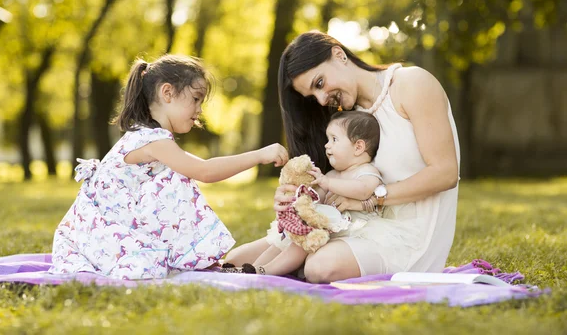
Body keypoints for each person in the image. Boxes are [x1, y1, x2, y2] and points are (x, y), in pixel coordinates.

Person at [225, 30, 460, 283]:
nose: (322, 98)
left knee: (321, 267)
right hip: (355, 223)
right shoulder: (347, 118)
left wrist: (369, 201)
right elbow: (333, 182)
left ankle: (295, 267)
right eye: (313, 96)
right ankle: (290, 264)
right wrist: (294, 200)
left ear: (339, 55)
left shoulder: (411, 84)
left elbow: (445, 173)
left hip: (409, 235)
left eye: (319, 83)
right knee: (233, 261)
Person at [49, 55, 288, 280]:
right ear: (167, 93)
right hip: (98, 240)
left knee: (174, 177)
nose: (200, 109)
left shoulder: (150, 137)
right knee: (177, 180)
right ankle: (192, 259)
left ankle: (190, 258)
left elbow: (202, 166)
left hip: (102, 235)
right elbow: (205, 171)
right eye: (196, 99)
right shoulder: (153, 141)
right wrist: (260, 155)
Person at [222, 111, 383, 275]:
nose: (327, 145)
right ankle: (251, 268)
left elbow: (363, 190)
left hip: (350, 233)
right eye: (328, 140)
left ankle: (265, 271)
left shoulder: (367, 171)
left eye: (334, 139)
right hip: (320, 229)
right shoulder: (332, 175)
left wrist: (327, 183)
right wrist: (301, 197)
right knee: (282, 242)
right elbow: (316, 199)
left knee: (300, 244)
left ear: (358, 147)